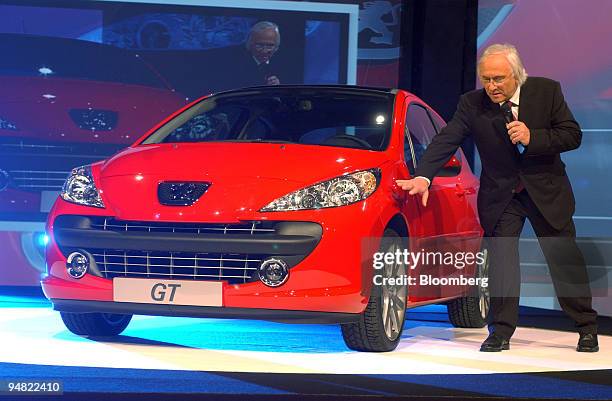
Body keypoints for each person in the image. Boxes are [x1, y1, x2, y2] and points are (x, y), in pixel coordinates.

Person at [396, 43, 598, 352]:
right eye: (487, 79)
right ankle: (501, 331)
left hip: (546, 190)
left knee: (563, 258)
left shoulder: (547, 91)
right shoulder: (471, 104)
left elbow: (572, 135)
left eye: (499, 79)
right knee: (502, 263)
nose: (492, 86)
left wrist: (535, 138)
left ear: (517, 75)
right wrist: (423, 175)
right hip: (502, 195)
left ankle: (586, 327)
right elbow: (446, 139)